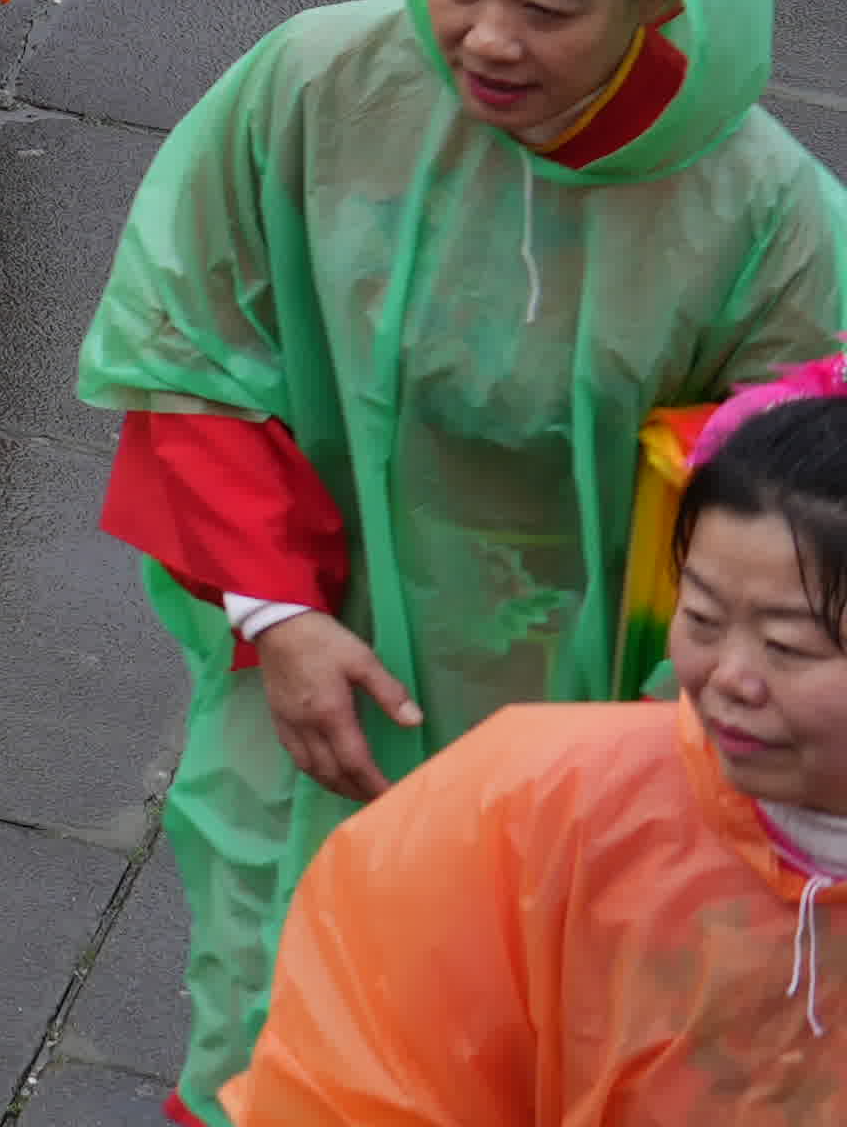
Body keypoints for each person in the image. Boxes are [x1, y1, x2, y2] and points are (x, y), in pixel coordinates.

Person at [81, 0, 838, 1122]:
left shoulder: (765, 217)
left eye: (549, 5)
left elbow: (796, 491)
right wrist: (280, 619)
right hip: (327, 656)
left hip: (628, 698)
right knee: (275, 990)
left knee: (564, 1027)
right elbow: (188, 352)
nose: (488, 39)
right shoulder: (313, 87)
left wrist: (691, 712)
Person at [215, 385, 847, 1123]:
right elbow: (351, 1081)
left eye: (787, 647)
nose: (728, 678)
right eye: (701, 617)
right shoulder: (527, 810)